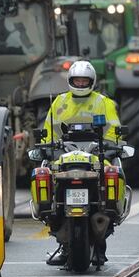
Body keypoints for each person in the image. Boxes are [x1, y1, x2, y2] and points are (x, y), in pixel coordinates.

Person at [41, 60, 122, 266]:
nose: (80, 83)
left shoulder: (103, 102)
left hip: (96, 155)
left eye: (84, 80)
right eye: (76, 80)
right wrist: (45, 147)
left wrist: (113, 146)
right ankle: (54, 218)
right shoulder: (59, 102)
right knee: (46, 174)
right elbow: (48, 132)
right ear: (70, 80)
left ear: (92, 81)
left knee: (110, 175)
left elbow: (113, 131)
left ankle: (103, 233)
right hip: (64, 156)